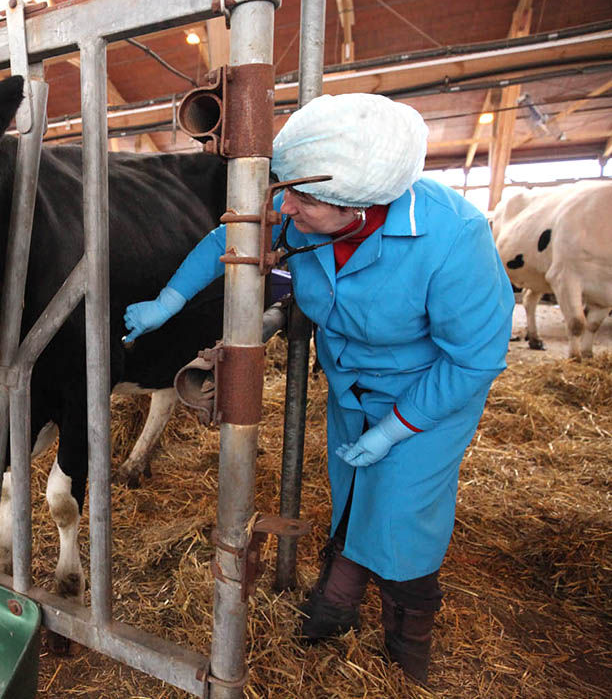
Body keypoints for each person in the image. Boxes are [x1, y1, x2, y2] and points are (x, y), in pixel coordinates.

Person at [122, 93, 513, 684]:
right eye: (288, 188)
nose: (286, 204)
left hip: (429, 396)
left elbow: (476, 359)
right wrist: (168, 302)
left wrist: (395, 427)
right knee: (353, 490)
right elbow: (233, 237)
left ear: (357, 207)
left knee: (407, 515)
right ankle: (341, 592)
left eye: (302, 197)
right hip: (350, 383)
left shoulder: (452, 238)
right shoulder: (309, 207)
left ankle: (409, 626)